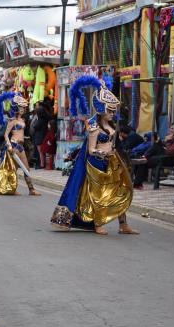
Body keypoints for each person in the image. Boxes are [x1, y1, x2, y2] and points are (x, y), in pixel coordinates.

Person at [51, 77, 138, 235]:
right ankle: (97, 223)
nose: (112, 113)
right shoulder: (94, 127)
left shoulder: (110, 125)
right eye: (109, 110)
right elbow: (91, 150)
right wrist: (102, 152)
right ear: (101, 108)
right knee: (98, 195)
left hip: (111, 162)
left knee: (119, 191)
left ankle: (123, 224)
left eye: (113, 110)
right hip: (96, 163)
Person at [0, 92, 41, 196]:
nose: (22, 109)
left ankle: (31, 190)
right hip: (14, 146)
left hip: (21, 147)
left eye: (23, 107)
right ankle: (12, 189)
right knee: (12, 169)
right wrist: (9, 145)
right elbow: (6, 135)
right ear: (16, 107)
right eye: (20, 107)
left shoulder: (22, 120)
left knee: (26, 168)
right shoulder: (12, 121)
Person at [132, 121, 174, 189]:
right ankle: (144, 158)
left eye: (173, 128)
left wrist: (168, 141)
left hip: (171, 159)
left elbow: (170, 151)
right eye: (170, 128)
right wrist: (165, 143)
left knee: (145, 160)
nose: (170, 130)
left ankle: (138, 183)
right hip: (167, 157)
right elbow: (167, 149)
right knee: (153, 150)